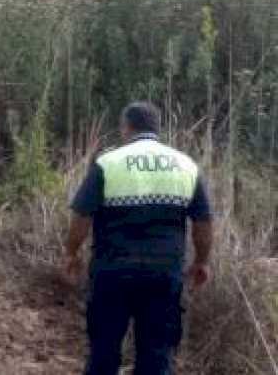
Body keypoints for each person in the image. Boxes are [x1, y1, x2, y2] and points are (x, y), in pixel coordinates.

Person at [63, 101, 214, 375]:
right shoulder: (186, 165)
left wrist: (72, 253)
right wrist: (202, 261)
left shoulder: (107, 163)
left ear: (126, 127)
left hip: (111, 273)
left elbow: (81, 217)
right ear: (157, 128)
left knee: (104, 350)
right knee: (157, 354)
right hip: (164, 274)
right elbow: (203, 222)